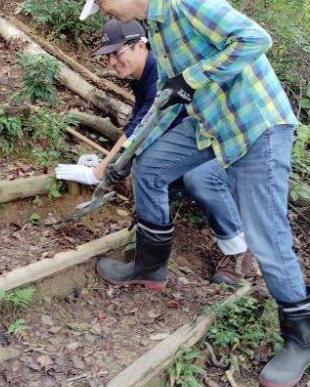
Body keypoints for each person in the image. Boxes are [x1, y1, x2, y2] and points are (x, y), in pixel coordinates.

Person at [76, 0, 310, 387]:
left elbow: (255, 39)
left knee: (265, 234)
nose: (105, 13)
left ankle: (300, 338)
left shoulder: (187, 0)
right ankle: (150, 267)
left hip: (256, 126)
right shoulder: (156, 29)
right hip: (210, 124)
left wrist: (196, 76)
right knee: (149, 167)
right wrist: (123, 161)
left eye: (103, 3)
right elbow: (167, 103)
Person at [54, 19, 254, 285]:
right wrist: (112, 162)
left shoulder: (161, 70)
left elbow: (145, 125)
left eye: (117, 53)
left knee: (198, 179)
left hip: (231, 140)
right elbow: (139, 118)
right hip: (195, 141)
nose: (112, 62)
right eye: (107, 56)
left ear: (140, 45)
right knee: (148, 173)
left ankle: (240, 255)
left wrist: (100, 170)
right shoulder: (141, 75)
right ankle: (151, 260)